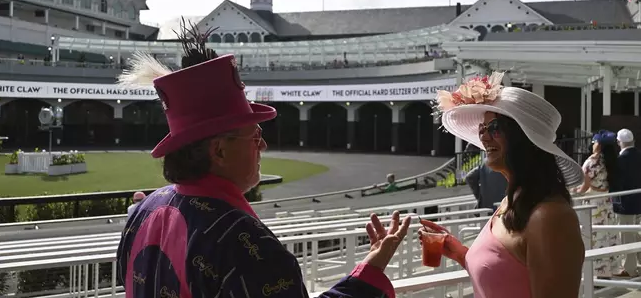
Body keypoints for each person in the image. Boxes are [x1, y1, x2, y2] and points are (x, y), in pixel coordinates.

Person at [115, 21, 411, 298]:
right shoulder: (248, 245)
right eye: (255, 137)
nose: (264, 145)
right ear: (218, 150)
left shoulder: (142, 212)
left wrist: (369, 267)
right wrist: (369, 275)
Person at [419, 72, 585, 298]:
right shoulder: (514, 200)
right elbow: (506, 278)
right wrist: (461, 254)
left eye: (494, 128)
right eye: (482, 129)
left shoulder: (550, 216)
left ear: (525, 139)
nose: (484, 138)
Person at [572, 130, 620, 278]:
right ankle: (610, 270)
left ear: (598, 144)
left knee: (595, 236)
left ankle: (597, 272)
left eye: (594, 142)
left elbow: (584, 186)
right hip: (607, 200)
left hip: (594, 201)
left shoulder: (592, 161)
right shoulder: (611, 160)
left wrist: (574, 191)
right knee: (608, 235)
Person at [612, 128, 641, 277]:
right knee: (636, 233)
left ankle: (629, 269)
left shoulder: (620, 160)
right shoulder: (638, 155)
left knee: (627, 235)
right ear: (633, 141)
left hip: (625, 203)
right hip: (638, 200)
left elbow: (617, 183)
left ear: (619, 142)